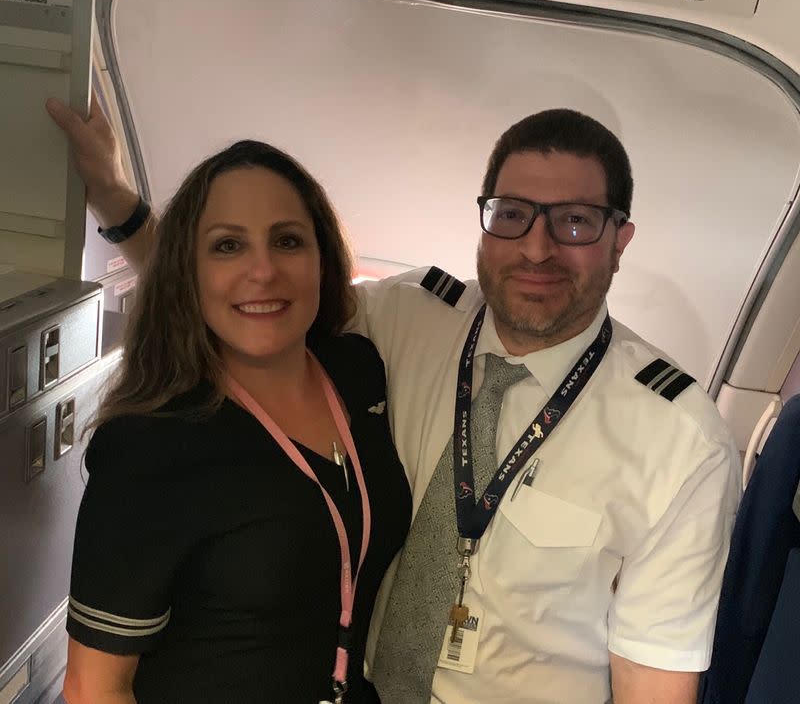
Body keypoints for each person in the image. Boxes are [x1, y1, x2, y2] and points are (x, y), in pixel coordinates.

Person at [48, 97, 740, 704]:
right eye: (513, 215)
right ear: (484, 223)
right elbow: (249, 297)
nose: (537, 248)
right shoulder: (404, 321)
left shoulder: (680, 441)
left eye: (576, 223)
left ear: (621, 241)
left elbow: (654, 686)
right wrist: (115, 200)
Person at [59, 137, 411, 703]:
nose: (263, 271)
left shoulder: (358, 373)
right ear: (186, 272)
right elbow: (91, 688)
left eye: (288, 241)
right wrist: (111, 196)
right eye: (227, 246)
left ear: (322, 258)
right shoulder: (150, 446)